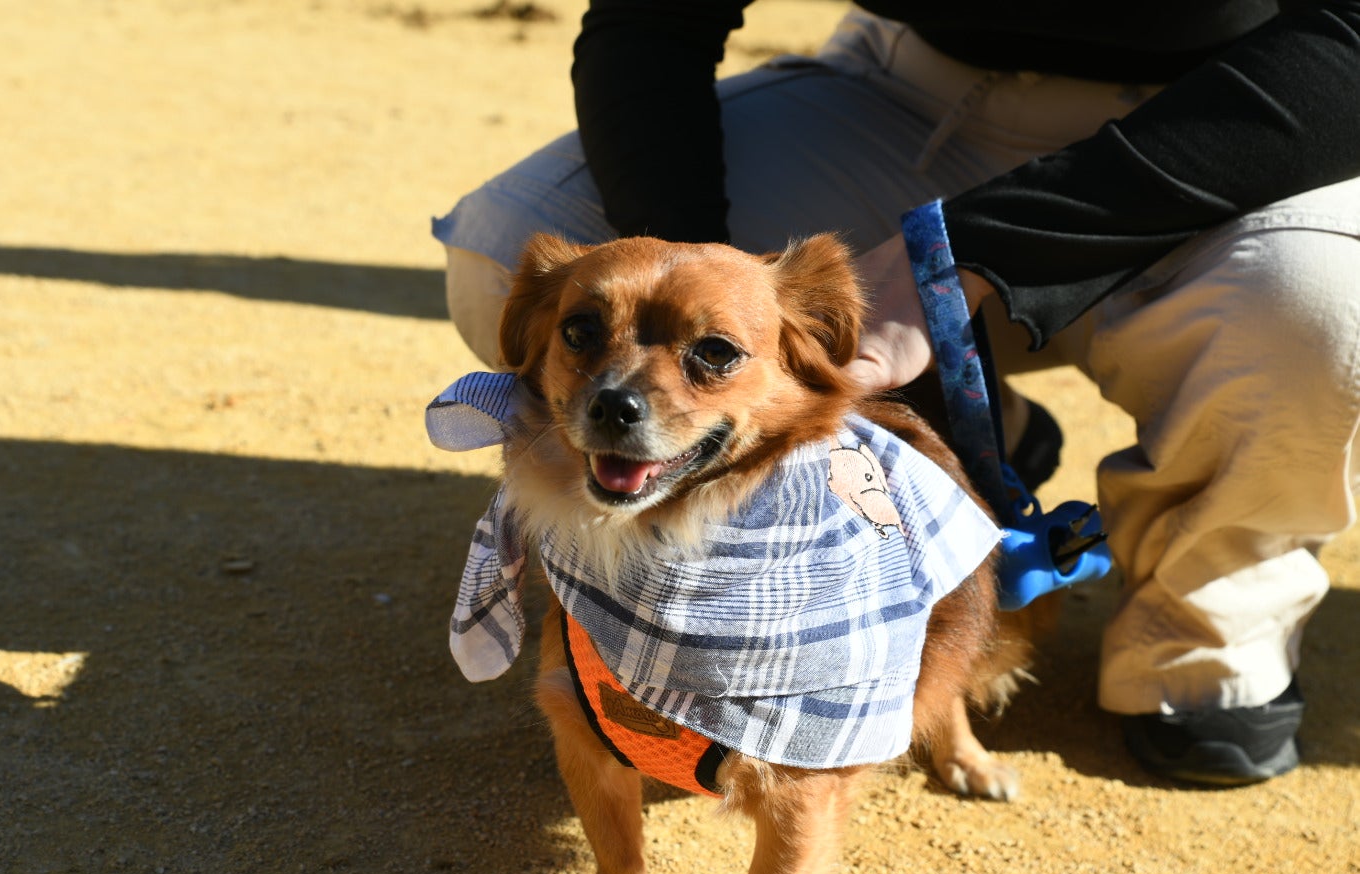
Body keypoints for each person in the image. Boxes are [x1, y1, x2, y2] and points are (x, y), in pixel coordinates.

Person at [432, 0, 1360, 786]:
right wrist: (705, 299)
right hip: (912, 89)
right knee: (516, 239)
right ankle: (911, 454)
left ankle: (1205, 621)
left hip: (1251, 116)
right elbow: (651, 20)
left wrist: (976, 252)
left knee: (1319, 311)